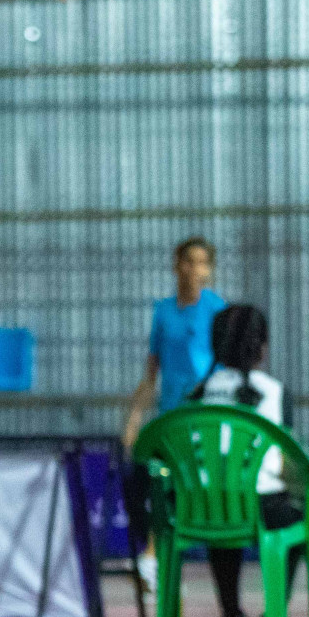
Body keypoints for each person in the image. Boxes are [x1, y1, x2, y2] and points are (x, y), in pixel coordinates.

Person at [186, 305, 304, 617]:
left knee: (224, 523)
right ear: (262, 346)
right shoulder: (276, 392)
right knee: (297, 524)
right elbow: (283, 461)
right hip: (262, 505)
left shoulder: (199, 393)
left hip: (204, 507)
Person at [122, 237, 227, 588]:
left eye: (201, 263)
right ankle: (154, 554)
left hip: (204, 418)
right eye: (188, 261)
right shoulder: (164, 311)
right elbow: (151, 372)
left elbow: (226, 368)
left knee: (181, 488)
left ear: (209, 270)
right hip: (169, 418)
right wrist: (135, 418)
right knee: (139, 480)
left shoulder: (217, 310)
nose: (193, 269)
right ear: (176, 264)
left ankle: (155, 559)